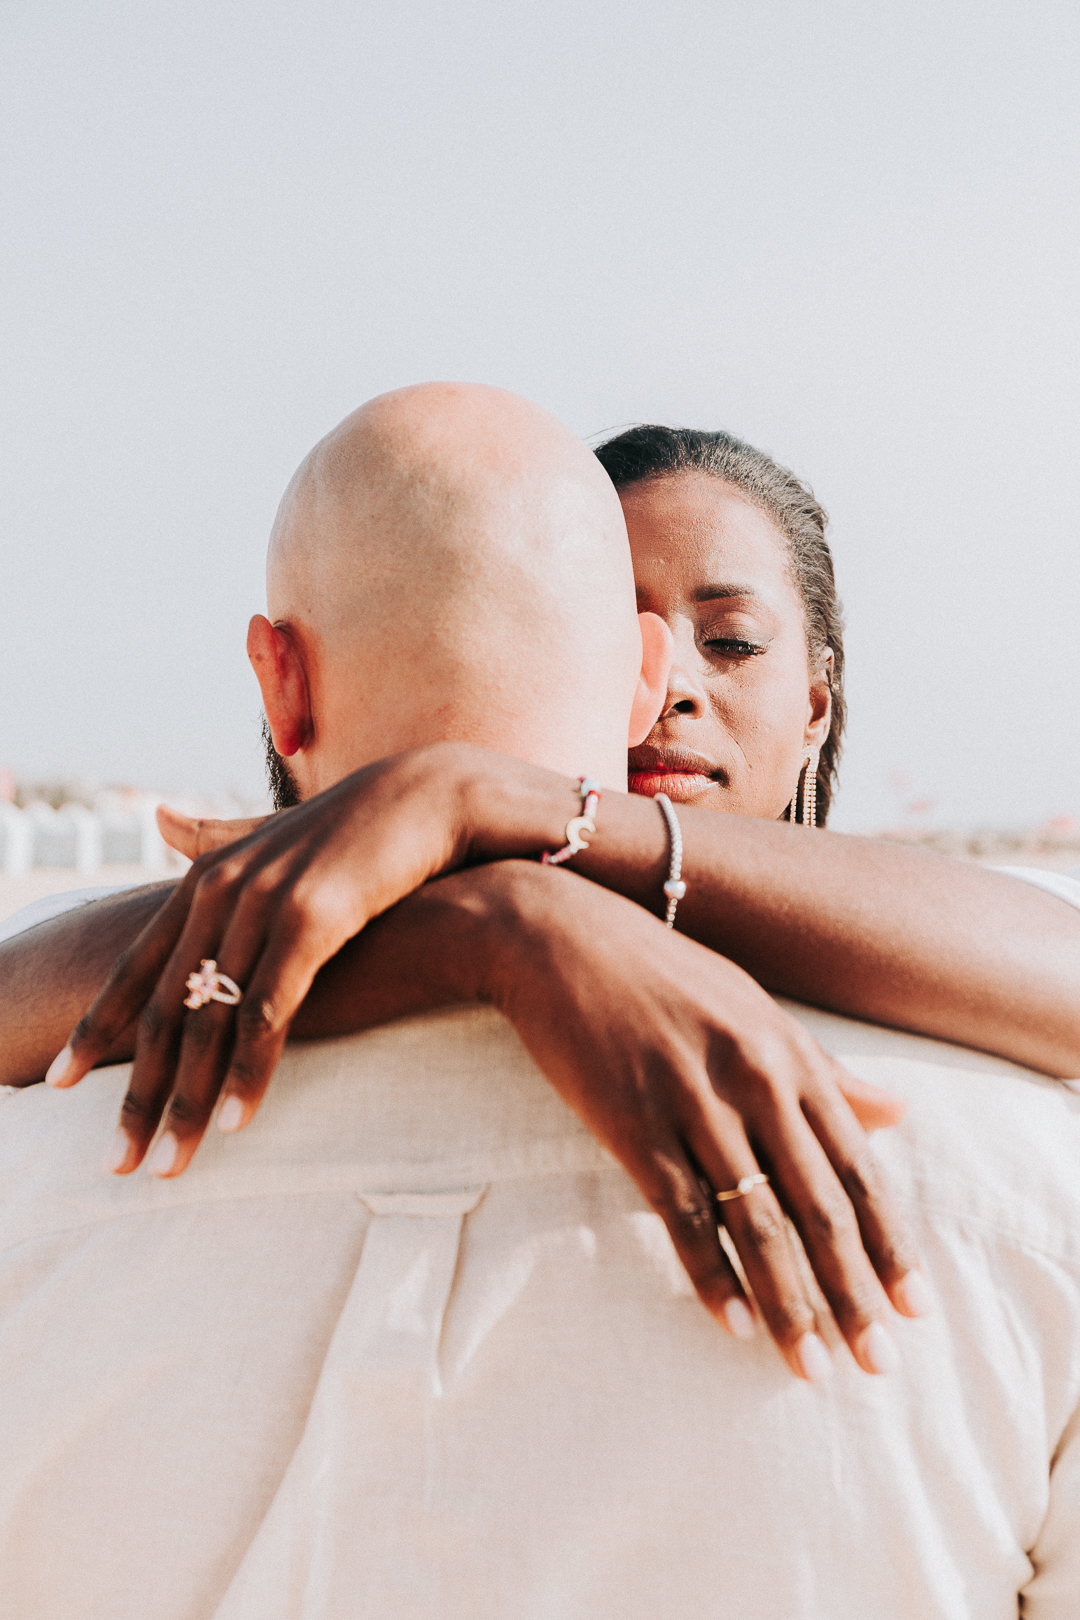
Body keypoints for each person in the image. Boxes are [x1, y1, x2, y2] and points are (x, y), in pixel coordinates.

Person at [2, 385, 1080, 1618]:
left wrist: (483, 819)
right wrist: (502, 916)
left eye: (730, 641)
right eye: (631, 628)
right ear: (621, 673)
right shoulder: (1009, 1153)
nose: (677, 696)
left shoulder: (56, 1127)